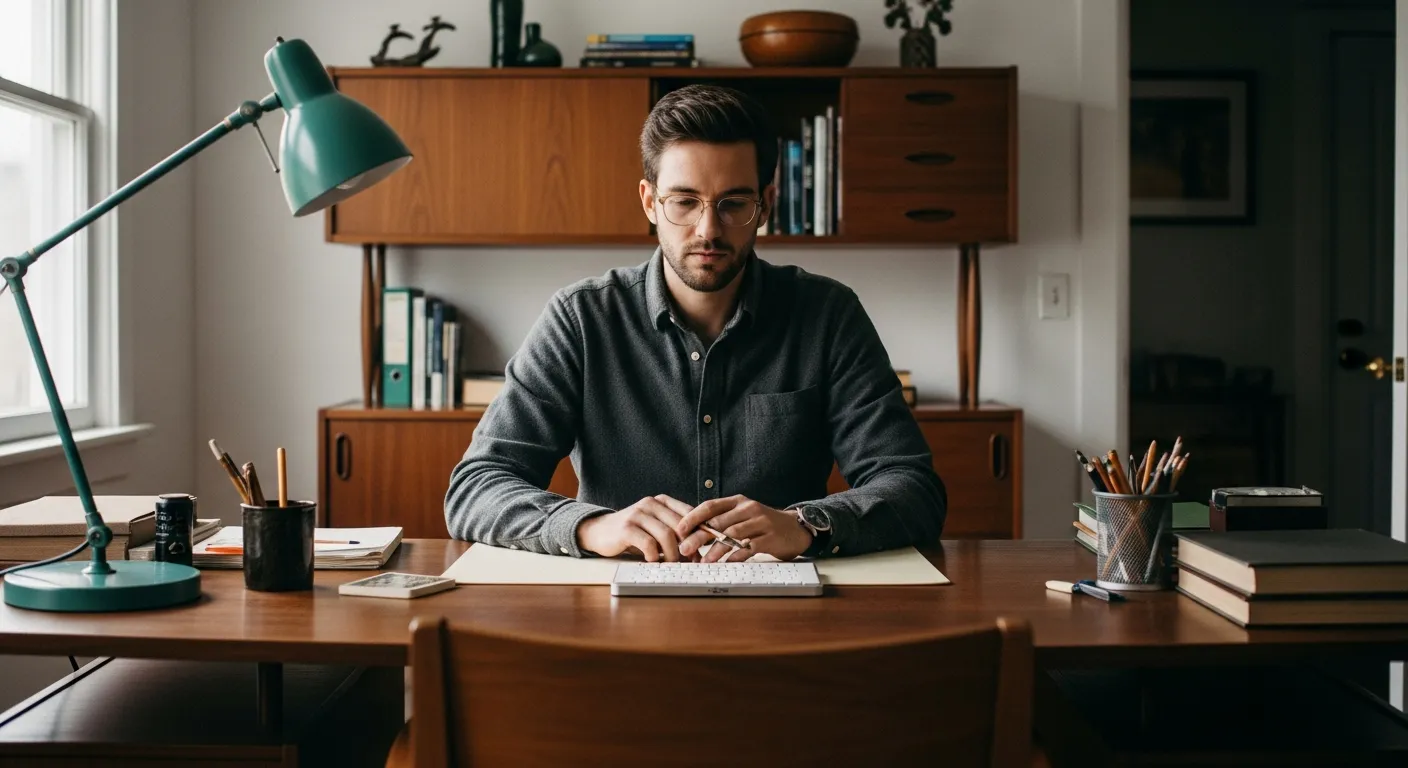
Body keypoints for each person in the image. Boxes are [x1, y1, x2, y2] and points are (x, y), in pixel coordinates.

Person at [444, 84, 946, 563]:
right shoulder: (580, 319)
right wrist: (593, 527)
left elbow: (912, 487)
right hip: (615, 615)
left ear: (765, 205)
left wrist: (807, 526)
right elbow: (476, 487)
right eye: (684, 202)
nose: (708, 229)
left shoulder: (828, 316)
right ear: (649, 202)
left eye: (733, 204)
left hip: (786, 612)